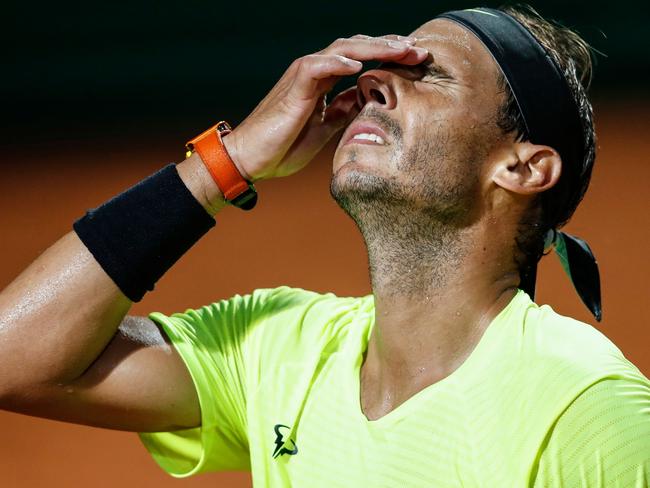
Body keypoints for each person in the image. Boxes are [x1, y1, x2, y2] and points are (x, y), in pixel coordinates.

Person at [1, 5, 648, 487]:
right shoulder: (280, 348)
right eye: (383, 69)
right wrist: (225, 163)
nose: (372, 83)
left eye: (432, 75)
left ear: (522, 168)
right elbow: (15, 358)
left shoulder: (583, 407)